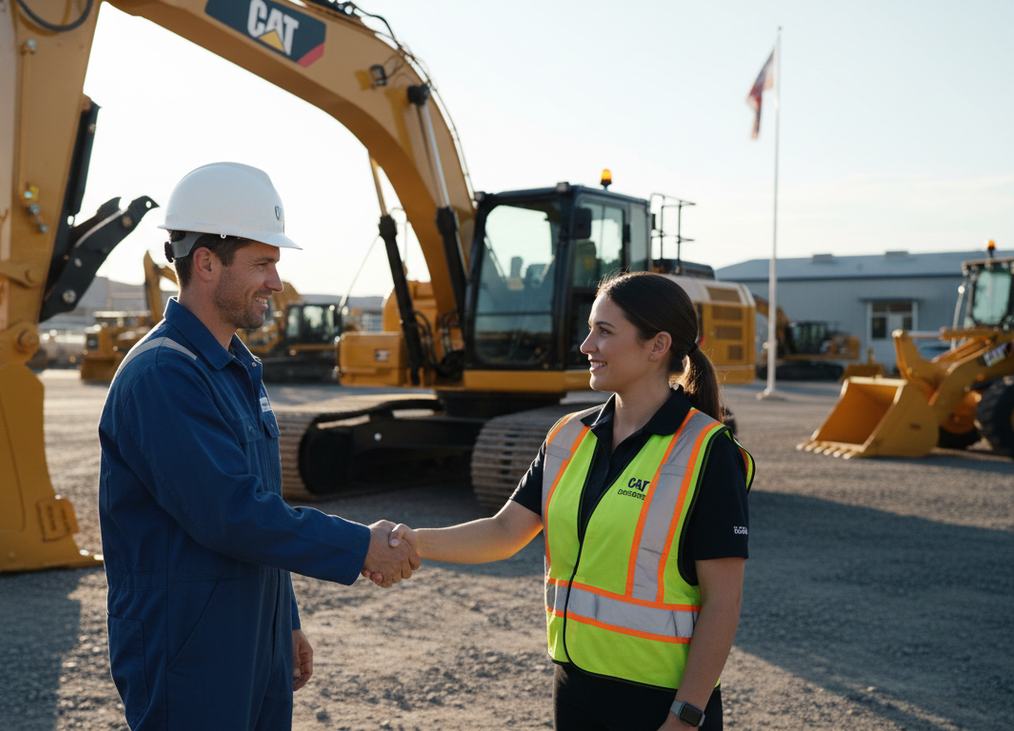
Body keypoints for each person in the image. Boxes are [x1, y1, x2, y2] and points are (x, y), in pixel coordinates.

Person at [98, 162, 418, 730]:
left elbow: (260, 499)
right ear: (205, 263)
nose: (275, 281)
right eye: (263, 263)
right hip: (189, 651)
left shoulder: (235, 369)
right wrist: (357, 546)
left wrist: (284, 619)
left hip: (253, 640)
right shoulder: (162, 376)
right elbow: (230, 514)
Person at [389, 271, 754, 730]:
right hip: (576, 689)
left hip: (662, 705)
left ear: (657, 346)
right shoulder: (567, 436)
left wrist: (685, 716)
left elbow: (724, 600)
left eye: (604, 331)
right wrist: (412, 541)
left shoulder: (709, 451)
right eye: (589, 329)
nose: (586, 345)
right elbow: (505, 531)